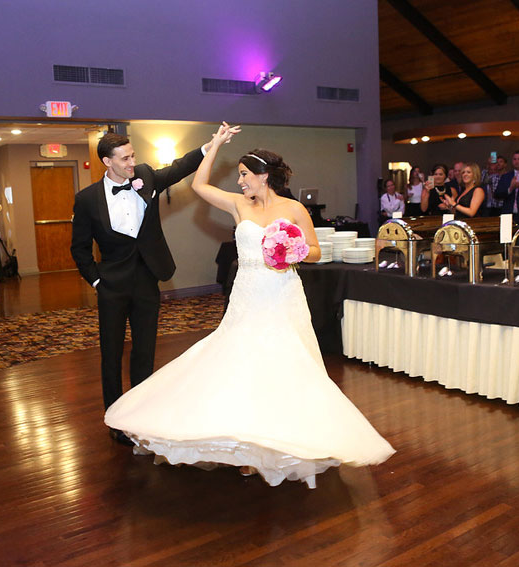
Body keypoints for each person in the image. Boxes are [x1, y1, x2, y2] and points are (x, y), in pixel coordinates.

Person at [104, 123, 395, 488]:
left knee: (284, 367)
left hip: (283, 294)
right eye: (239, 176)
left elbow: (316, 250)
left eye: (244, 175)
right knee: (242, 365)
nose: (240, 182)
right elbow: (198, 186)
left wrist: (293, 252)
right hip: (248, 295)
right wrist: (215, 146)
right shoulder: (239, 204)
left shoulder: (293, 208)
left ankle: (277, 446)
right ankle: (244, 448)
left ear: (263, 176)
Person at [70, 131, 212, 443]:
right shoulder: (87, 199)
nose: (133, 162)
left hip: (147, 280)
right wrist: (96, 280)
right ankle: (116, 420)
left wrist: (209, 146)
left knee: (144, 351)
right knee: (111, 354)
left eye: (133, 155)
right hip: (112, 286)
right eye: (125, 158)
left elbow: (179, 167)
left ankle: (142, 413)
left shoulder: (146, 176)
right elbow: (79, 248)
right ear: (107, 162)